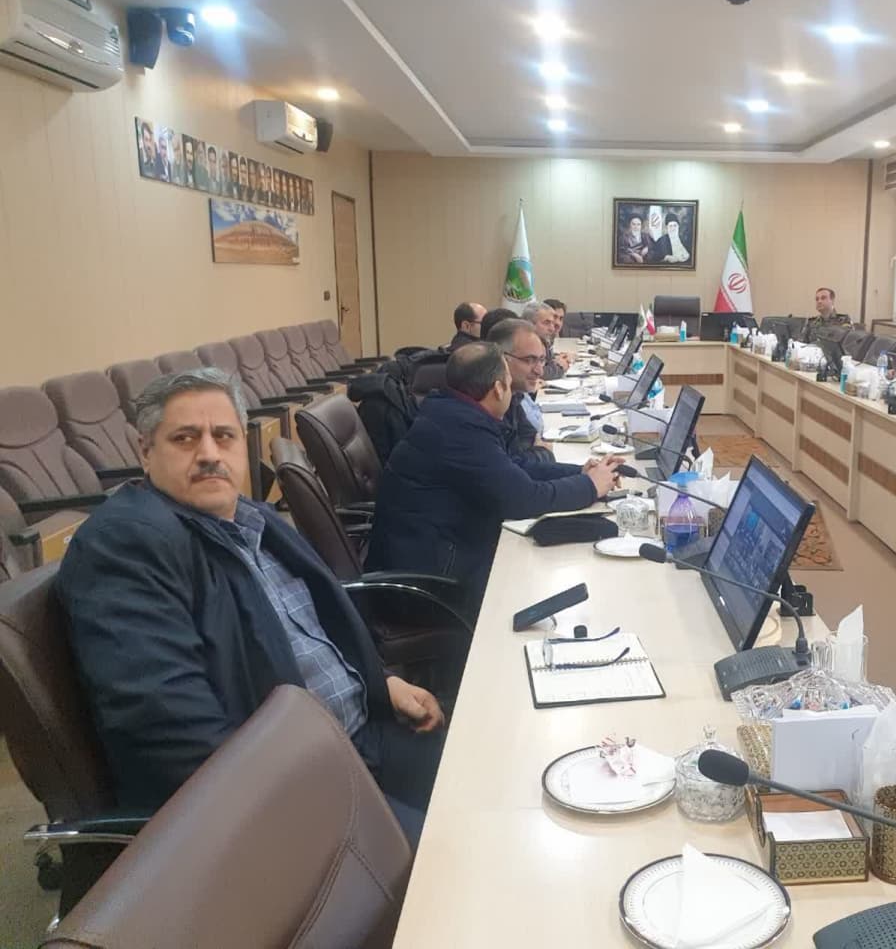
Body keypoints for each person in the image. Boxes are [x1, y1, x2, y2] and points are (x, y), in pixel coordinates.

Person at [56, 369, 446, 846]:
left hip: (359, 735)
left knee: (500, 774)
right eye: (184, 438)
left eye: (224, 436)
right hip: (285, 787)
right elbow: (170, 732)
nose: (209, 454)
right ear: (145, 451)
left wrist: (379, 681)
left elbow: (313, 629)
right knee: (458, 863)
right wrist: (294, 804)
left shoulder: (252, 517)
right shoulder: (126, 544)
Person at [366, 343, 620, 615]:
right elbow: (522, 500)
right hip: (430, 585)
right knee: (541, 574)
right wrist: (590, 486)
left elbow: (511, 467)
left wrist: (578, 473)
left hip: (437, 554)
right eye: (508, 384)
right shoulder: (460, 430)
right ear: (498, 389)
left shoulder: (452, 412)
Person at [488, 318, 554, 464]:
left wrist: (585, 472)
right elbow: (512, 468)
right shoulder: (490, 403)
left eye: (541, 360)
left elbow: (531, 438)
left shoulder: (514, 395)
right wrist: (542, 453)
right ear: (502, 359)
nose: (539, 371)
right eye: (530, 360)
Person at [524, 302, 570, 379]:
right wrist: (561, 368)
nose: (552, 328)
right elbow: (537, 372)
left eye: (552, 323)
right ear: (530, 324)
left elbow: (549, 363)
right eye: (546, 323)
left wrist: (557, 362)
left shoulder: (543, 340)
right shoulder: (524, 343)